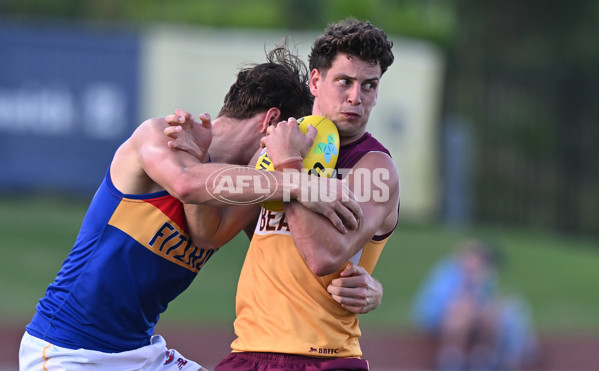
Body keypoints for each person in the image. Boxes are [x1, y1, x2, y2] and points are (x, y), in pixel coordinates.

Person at [19, 45, 380, 371]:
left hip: (142, 354)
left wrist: (365, 284)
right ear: (271, 123)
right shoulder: (164, 135)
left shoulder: (252, 187)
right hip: (69, 350)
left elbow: (217, 237)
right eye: (292, 133)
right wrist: (297, 179)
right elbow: (188, 185)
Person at [211, 18, 400, 370]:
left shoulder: (374, 168)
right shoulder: (276, 146)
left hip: (322, 359)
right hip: (248, 352)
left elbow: (321, 255)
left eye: (369, 86)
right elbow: (232, 230)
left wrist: (289, 165)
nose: (356, 97)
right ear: (316, 81)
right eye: (344, 81)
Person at [411, 239, 538, 371]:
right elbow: (443, 305)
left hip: (471, 320)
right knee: (460, 314)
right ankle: (451, 361)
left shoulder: (482, 277)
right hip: (436, 318)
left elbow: (488, 302)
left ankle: (481, 359)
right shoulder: (447, 273)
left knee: (491, 314)